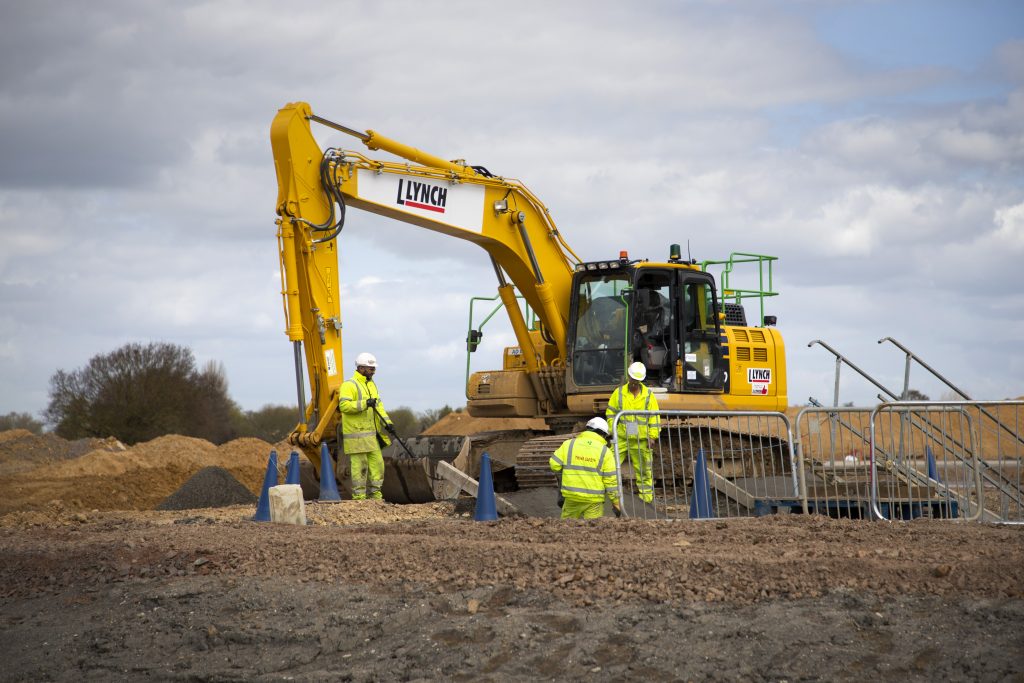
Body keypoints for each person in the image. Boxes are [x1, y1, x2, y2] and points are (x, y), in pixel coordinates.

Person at [338, 352, 395, 500]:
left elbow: (379, 406)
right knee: (360, 467)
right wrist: (364, 404)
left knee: (378, 465)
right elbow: (344, 406)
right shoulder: (349, 385)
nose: (373, 371)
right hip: (356, 436)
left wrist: (387, 423)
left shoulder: (371, 385)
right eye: (371, 368)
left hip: (371, 435)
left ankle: (376, 497)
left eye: (374, 368)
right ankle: (359, 499)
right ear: (361, 368)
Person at [605, 361, 661, 503]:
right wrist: (612, 431)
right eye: (632, 379)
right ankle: (610, 498)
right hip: (622, 438)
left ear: (641, 380)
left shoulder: (648, 395)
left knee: (644, 472)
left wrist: (652, 436)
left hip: (641, 440)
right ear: (628, 377)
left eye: (637, 380)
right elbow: (611, 412)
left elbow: (654, 417)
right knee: (609, 466)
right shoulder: (619, 393)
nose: (634, 383)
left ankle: (646, 502)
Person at [549, 417, 621, 519]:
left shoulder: (569, 444)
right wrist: (615, 501)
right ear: (603, 434)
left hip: (572, 497)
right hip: (594, 500)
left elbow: (554, 464)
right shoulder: (605, 452)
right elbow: (610, 481)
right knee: (593, 529)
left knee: (566, 529)